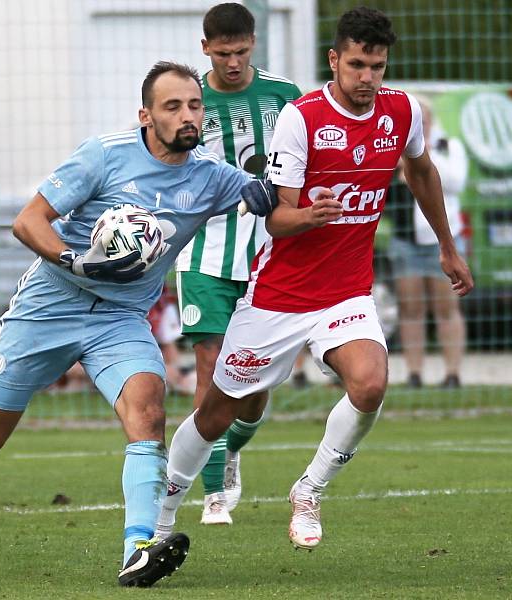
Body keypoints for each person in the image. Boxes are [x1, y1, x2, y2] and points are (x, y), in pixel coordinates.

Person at [0, 61, 278, 588]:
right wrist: (76, 259)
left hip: (119, 319)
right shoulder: (105, 154)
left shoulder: (210, 175)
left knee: (148, 411)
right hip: (51, 303)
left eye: (194, 105)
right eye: (173, 106)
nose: (188, 116)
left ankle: (139, 548)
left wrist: (272, 196)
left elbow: (270, 196)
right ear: (145, 115)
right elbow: (28, 221)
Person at [156, 7, 473, 556]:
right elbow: (275, 218)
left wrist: (446, 244)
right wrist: (310, 215)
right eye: (357, 65)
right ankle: (159, 519)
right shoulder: (301, 118)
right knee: (217, 410)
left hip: (346, 292)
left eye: (377, 66)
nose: (368, 77)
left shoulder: (400, 112)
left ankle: (309, 490)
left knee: (371, 385)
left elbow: (420, 171)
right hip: (278, 295)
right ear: (335, 60)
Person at [174, 2, 302, 525]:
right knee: (210, 364)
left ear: (254, 44)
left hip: (270, 252)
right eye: (223, 53)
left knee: (252, 387)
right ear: (205, 48)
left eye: (241, 51)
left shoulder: (285, 95)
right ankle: (212, 492)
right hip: (202, 250)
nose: (232, 62)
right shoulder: (187, 101)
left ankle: (233, 446)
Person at [387, 100, 469, 389]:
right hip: (406, 240)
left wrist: (423, 156)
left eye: (423, 121)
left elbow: (456, 181)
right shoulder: (392, 149)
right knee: (410, 309)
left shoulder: (448, 145)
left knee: (446, 308)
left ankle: (452, 373)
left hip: (443, 240)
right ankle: (414, 373)